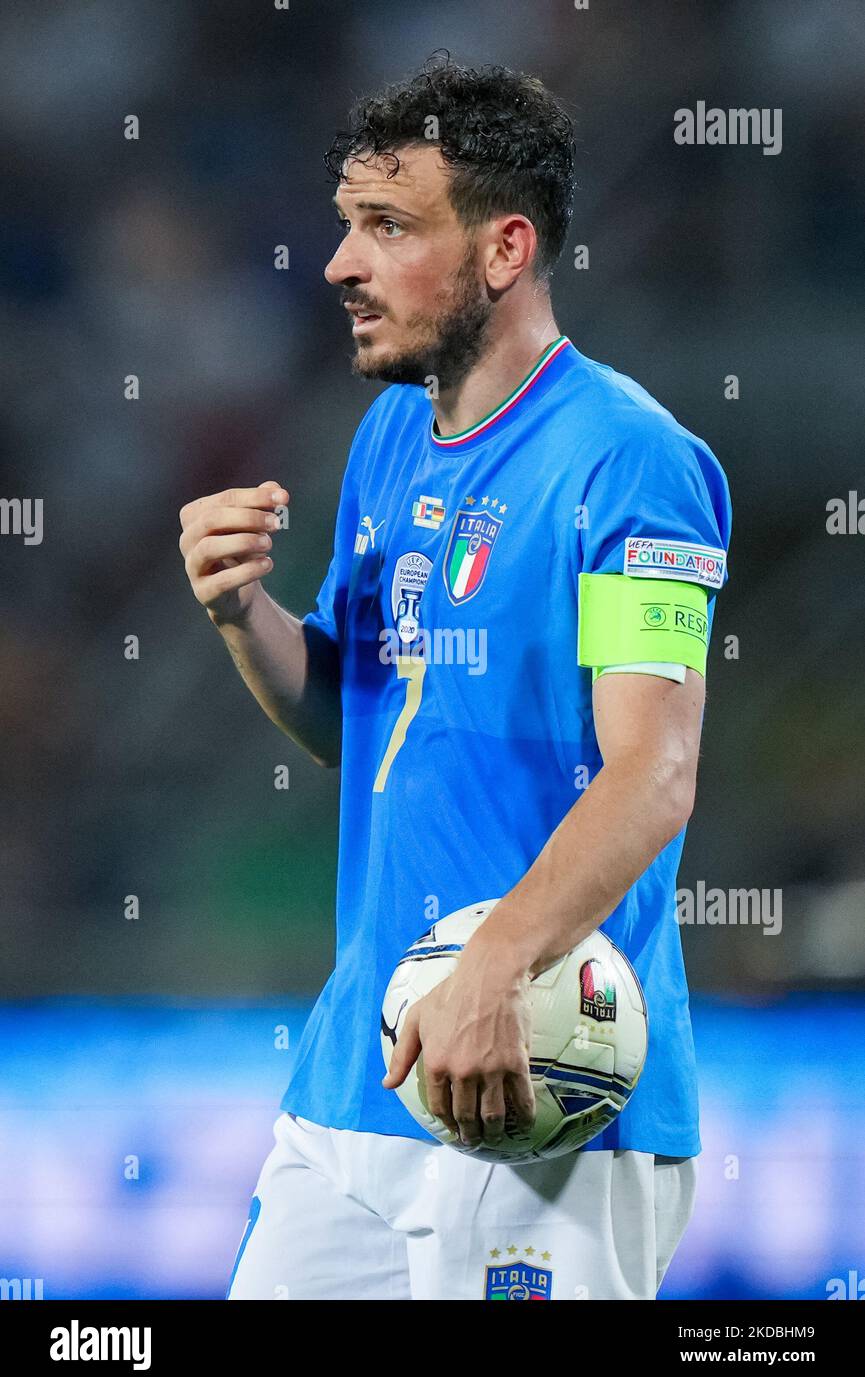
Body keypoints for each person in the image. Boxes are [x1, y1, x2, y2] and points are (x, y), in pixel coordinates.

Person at [179, 57, 732, 1301]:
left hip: (545, 1083)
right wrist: (239, 613)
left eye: (386, 227)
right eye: (343, 225)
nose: (338, 264)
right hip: (360, 1075)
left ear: (503, 250)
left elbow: (656, 771)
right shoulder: (389, 439)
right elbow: (347, 720)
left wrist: (497, 968)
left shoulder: (631, 458)